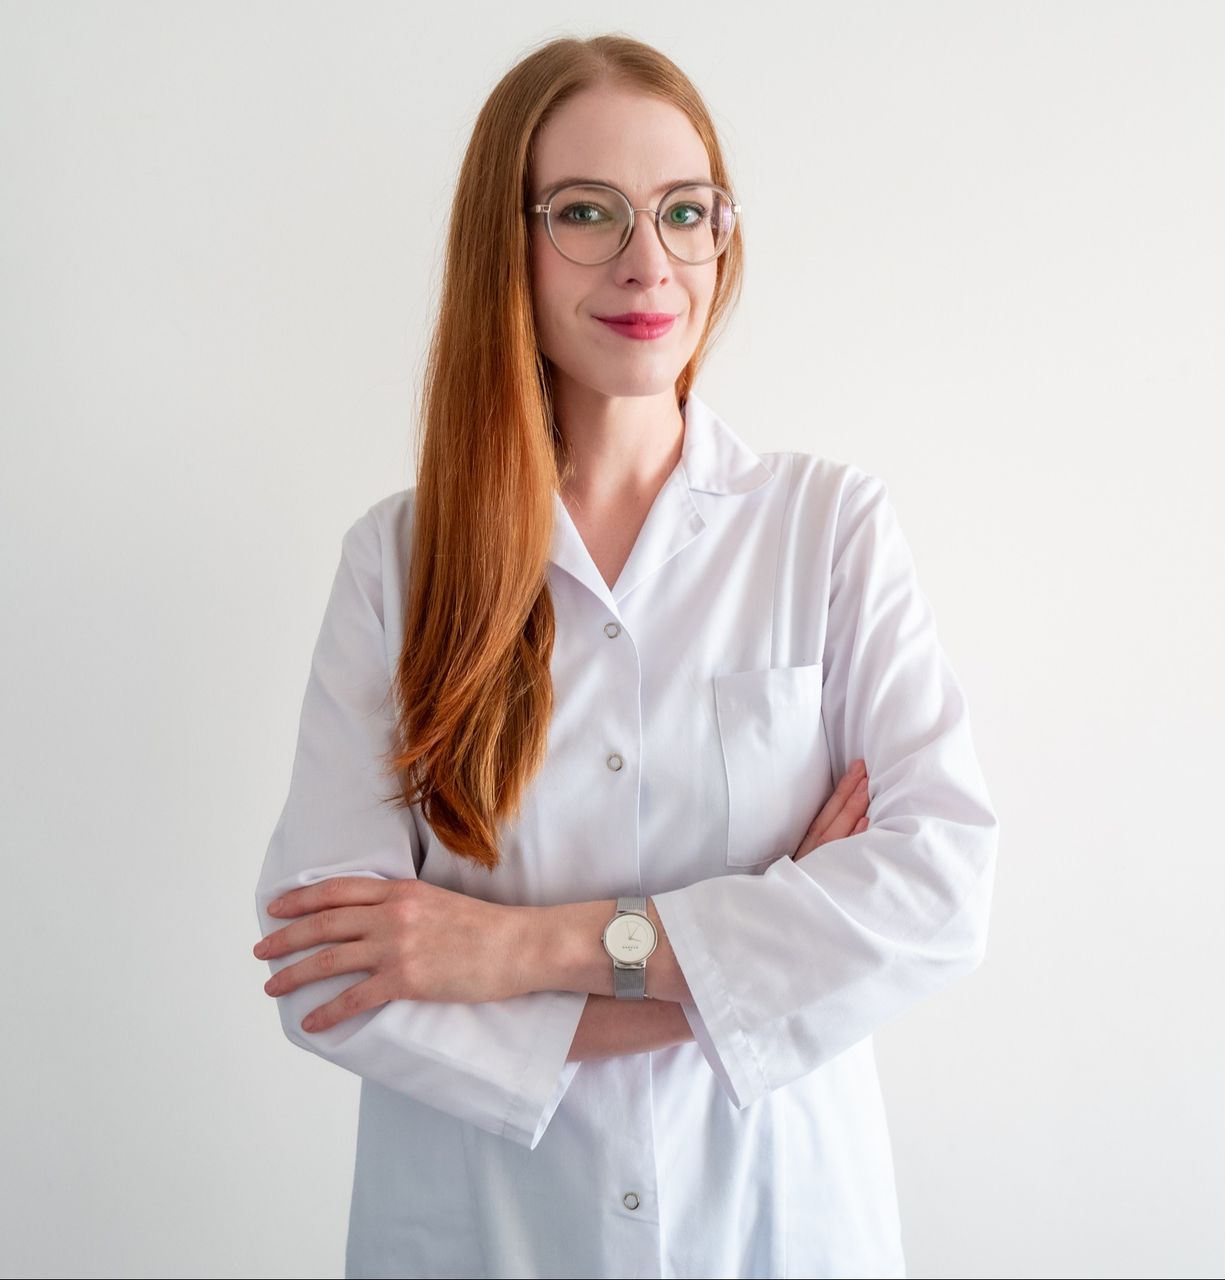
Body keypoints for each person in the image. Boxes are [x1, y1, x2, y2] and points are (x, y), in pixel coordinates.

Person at [251, 32, 998, 1280]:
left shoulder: (826, 528)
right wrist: (761, 945)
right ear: (508, 244)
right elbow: (328, 975)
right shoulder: (397, 562)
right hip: (488, 1234)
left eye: (683, 211)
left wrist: (512, 949)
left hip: (772, 1226)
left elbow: (934, 892)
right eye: (587, 211)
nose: (647, 261)